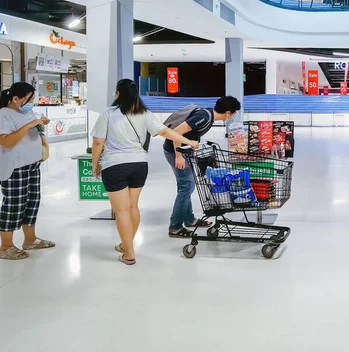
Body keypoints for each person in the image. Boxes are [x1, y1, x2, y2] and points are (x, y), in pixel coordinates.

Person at [91, 79, 199, 265]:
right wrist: (189, 142)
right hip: (139, 165)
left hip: (115, 165)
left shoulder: (108, 114)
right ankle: (126, 245)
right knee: (133, 207)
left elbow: (98, 142)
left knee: (122, 210)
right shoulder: (144, 113)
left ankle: (129, 253)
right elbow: (165, 131)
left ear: (117, 94)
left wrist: (95, 164)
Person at [164, 95, 241, 238]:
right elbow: (177, 132)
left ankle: (189, 220)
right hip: (175, 151)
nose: (234, 115)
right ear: (228, 112)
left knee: (186, 185)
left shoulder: (209, 117)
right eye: (234, 112)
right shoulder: (204, 116)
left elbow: (191, 133)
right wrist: (178, 155)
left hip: (184, 152)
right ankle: (175, 227)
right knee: (186, 186)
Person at [0, 82, 54, 260]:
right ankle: (5, 247)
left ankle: (30, 239)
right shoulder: (2, 116)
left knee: (31, 203)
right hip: (15, 168)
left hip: (32, 165)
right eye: (29, 98)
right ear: (16, 99)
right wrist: (29, 125)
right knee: (14, 205)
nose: (32, 102)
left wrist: (39, 124)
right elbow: (6, 142)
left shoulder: (25, 112)